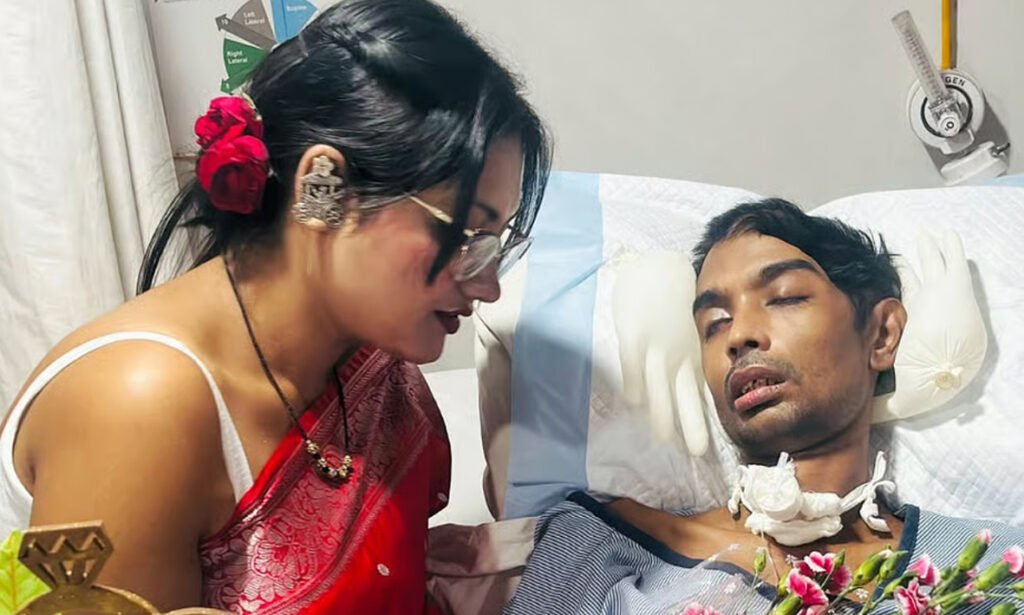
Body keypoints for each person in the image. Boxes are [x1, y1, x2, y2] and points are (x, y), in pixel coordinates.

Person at [0, 0, 550, 612]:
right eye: (468, 237)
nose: (487, 285)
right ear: (323, 189)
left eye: (496, 245)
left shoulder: (365, 348)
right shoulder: (131, 409)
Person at [506, 200, 1024, 614]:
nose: (740, 335)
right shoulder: (604, 541)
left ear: (882, 333)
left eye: (785, 297)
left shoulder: (992, 566)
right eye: (714, 324)